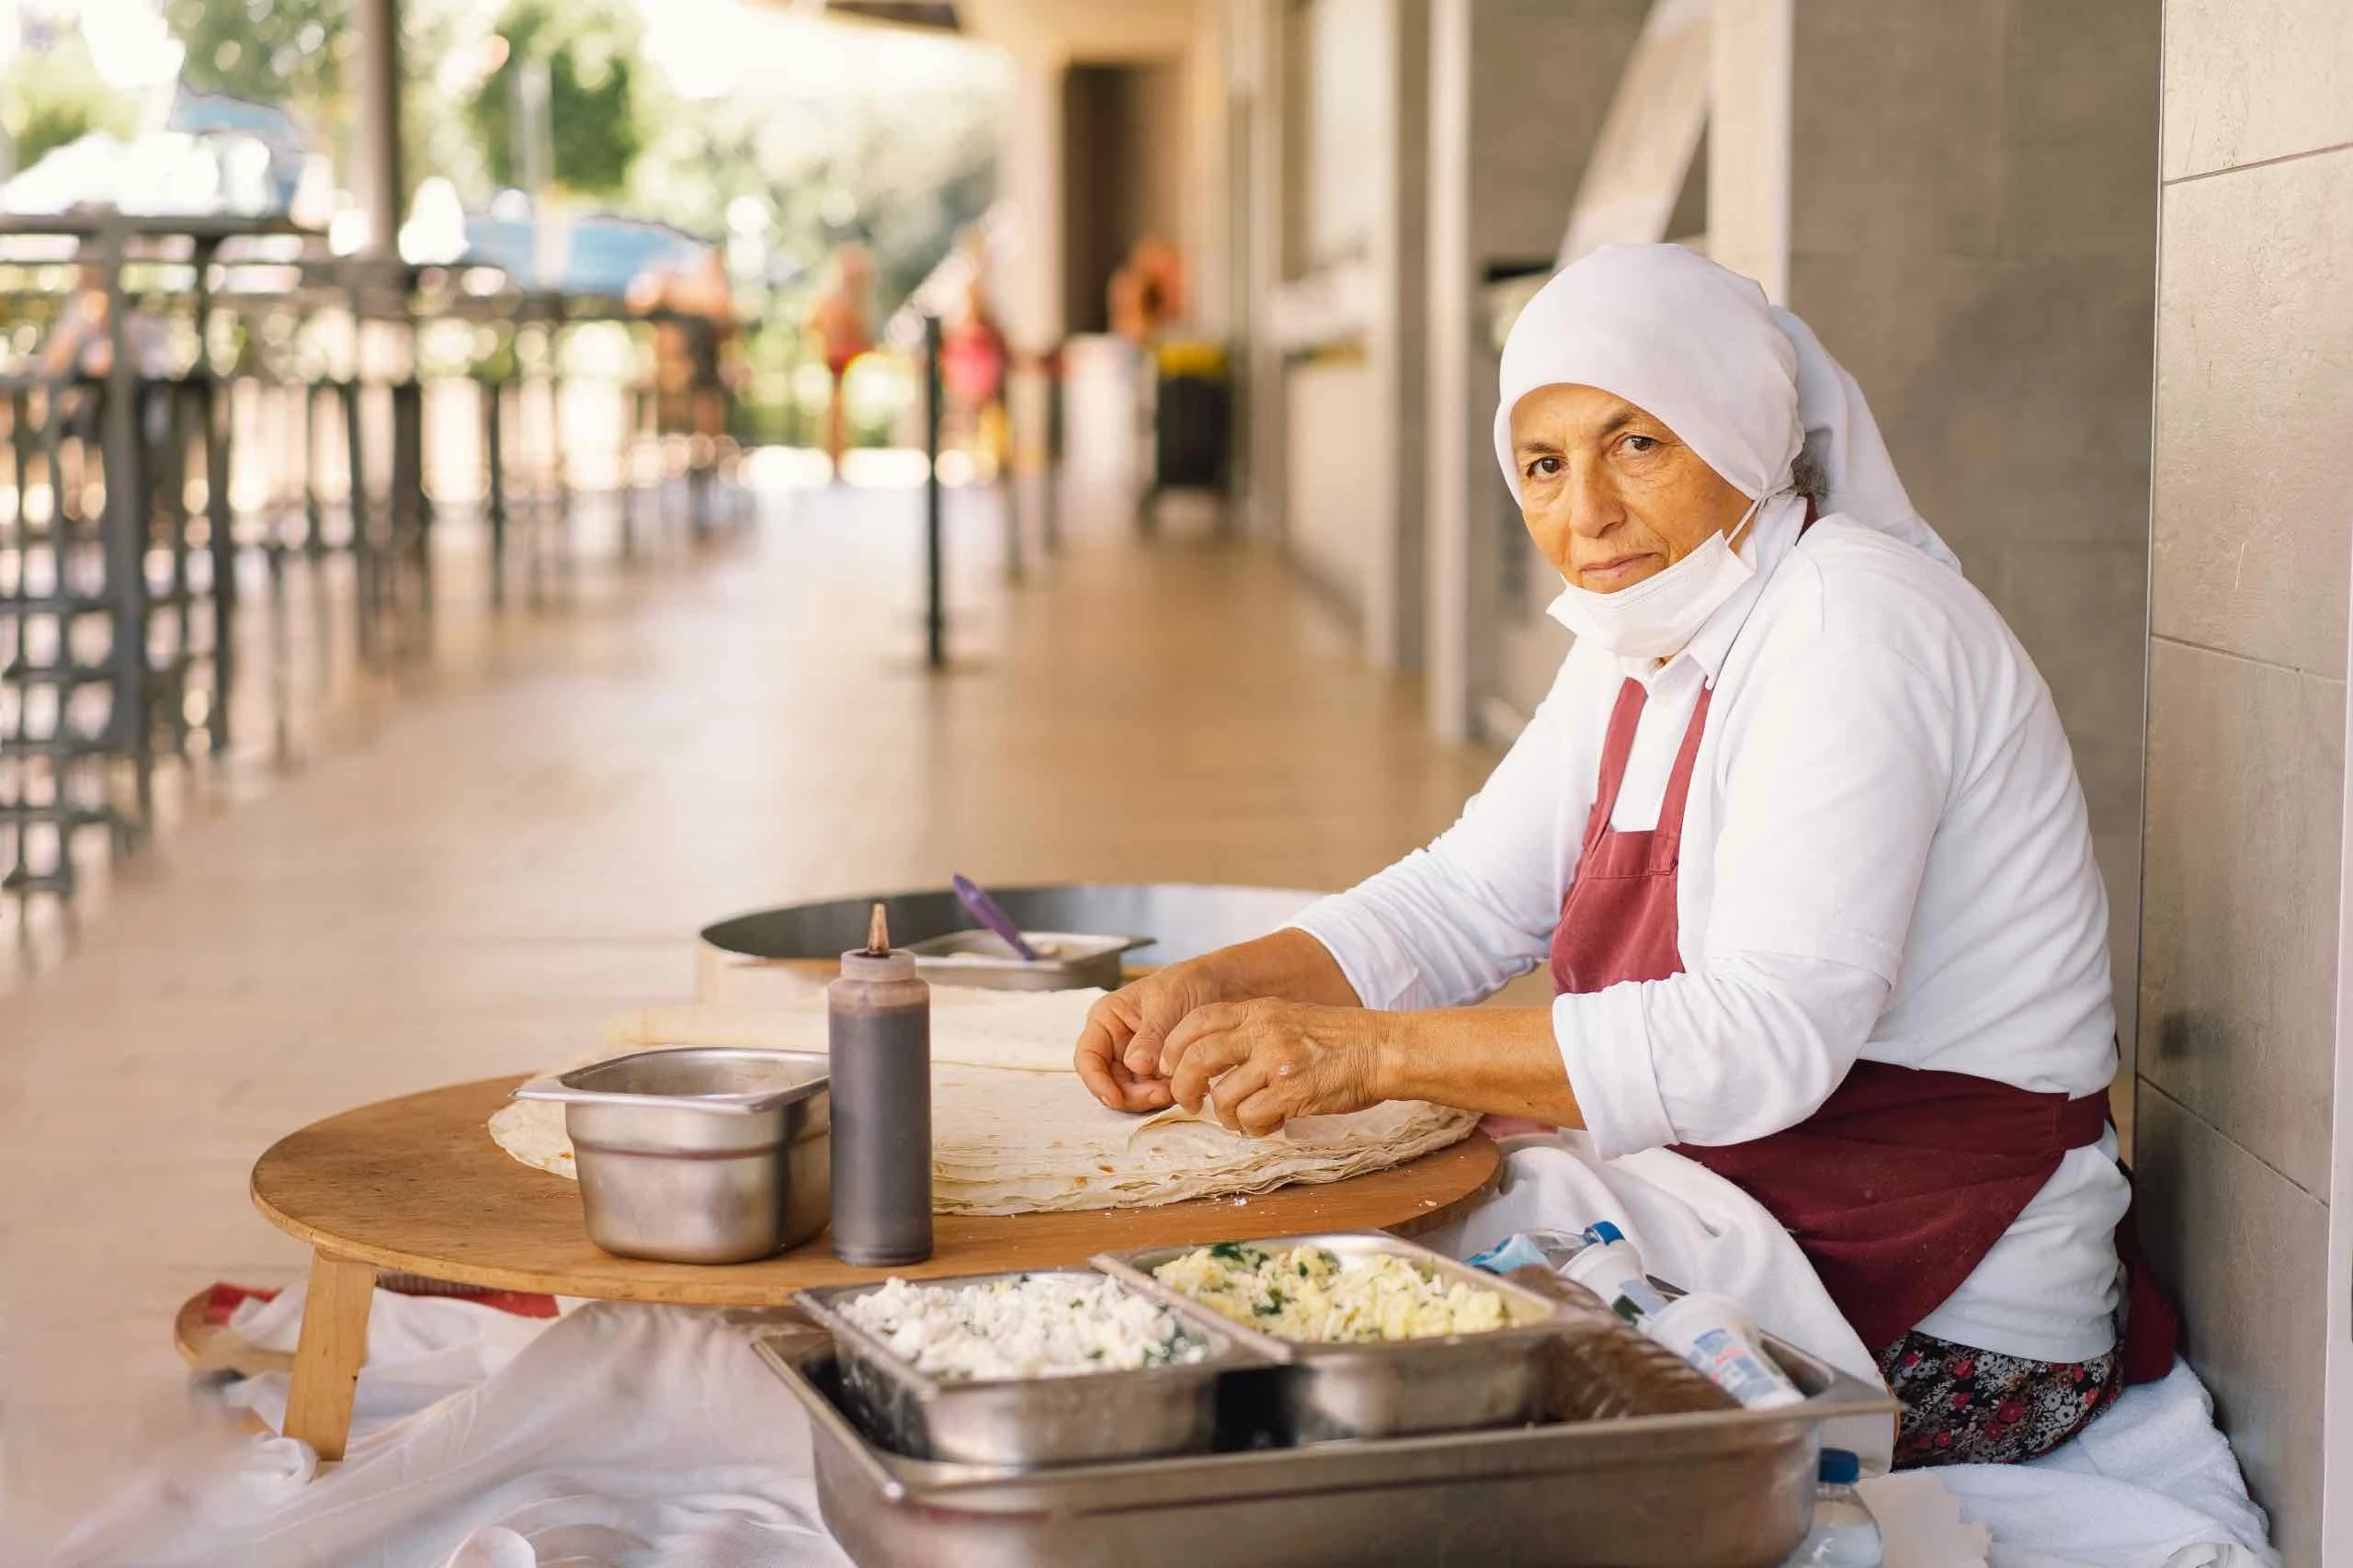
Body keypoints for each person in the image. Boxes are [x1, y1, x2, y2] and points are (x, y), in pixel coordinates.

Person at [1074, 244, 2175, 1469]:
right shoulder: (1641, 638)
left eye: (1636, 442)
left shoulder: (1852, 625)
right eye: (1543, 465)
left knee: (1332, 1362)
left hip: (1949, 1321)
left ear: (1741, 427)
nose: (1584, 510)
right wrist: (1217, 988)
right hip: (1760, 1220)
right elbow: (1461, 895)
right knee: (1279, 1270)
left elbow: (1766, 1035)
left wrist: (1371, 1051)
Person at [804, 245, 874, 480]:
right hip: (833, 359)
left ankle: (838, 457)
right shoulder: (834, 299)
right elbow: (812, 324)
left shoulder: (849, 300)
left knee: (838, 413)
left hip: (843, 359)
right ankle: (833, 458)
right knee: (835, 413)